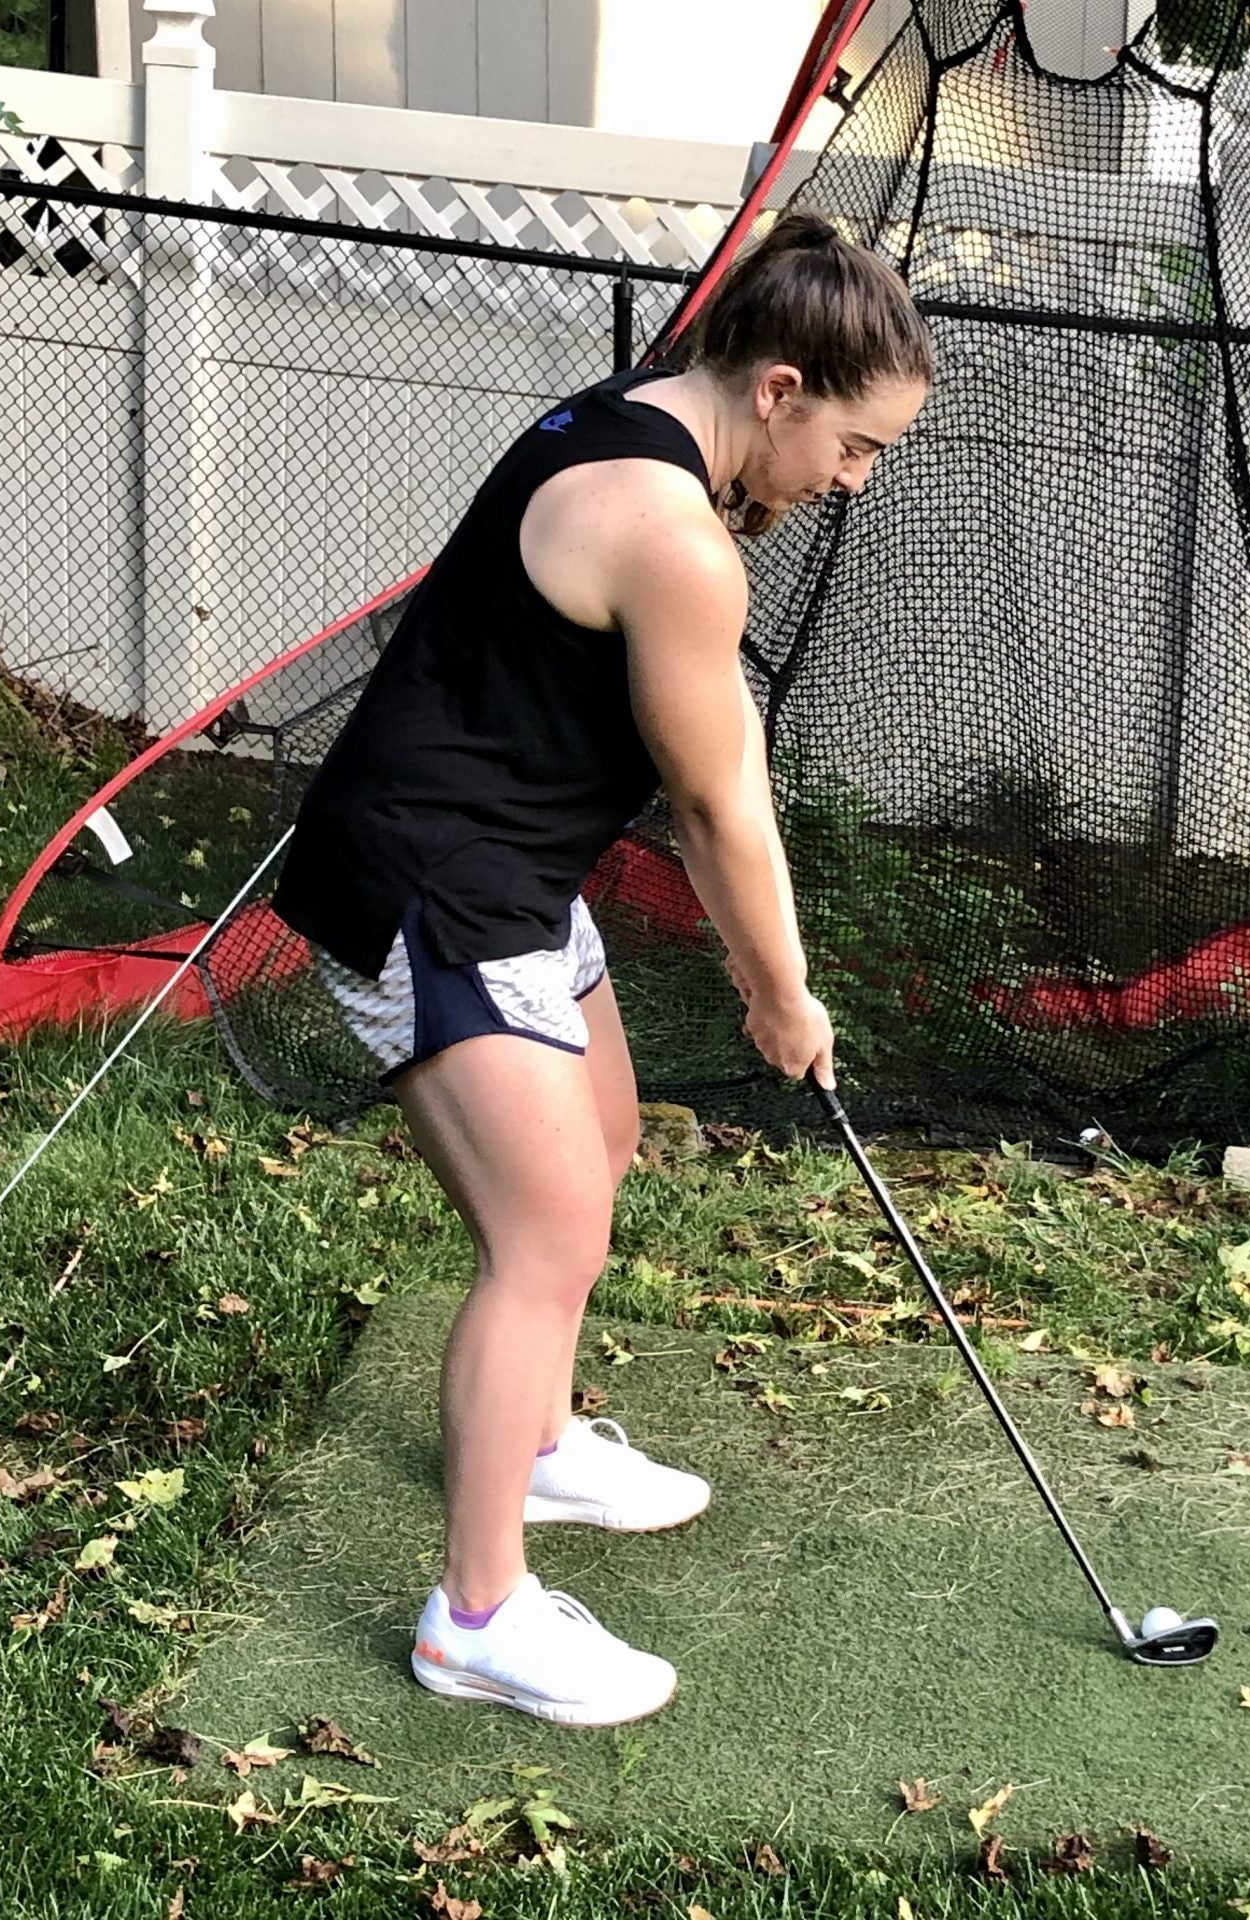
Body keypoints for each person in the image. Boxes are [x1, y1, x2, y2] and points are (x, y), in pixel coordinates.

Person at [269, 215, 933, 1727]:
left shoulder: (633, 410)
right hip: (429, 888)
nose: (854, 482)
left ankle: (540, 1442)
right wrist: (779, 995)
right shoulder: (675, 538)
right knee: (546, 1235)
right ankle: (475, 1616)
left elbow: (710, 762)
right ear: (778, 388)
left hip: (513, 869)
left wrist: (777, 975)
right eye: (854, 447)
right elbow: (714, 805)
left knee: (609, 1135)